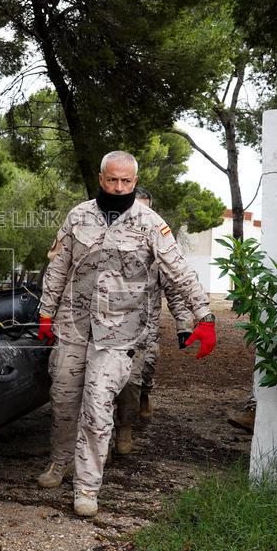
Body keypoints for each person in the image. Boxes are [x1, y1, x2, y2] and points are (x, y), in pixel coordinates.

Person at [36, 150, 217, 517]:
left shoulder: (150, 223)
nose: (119, 187)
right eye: (113, 180)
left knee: (97, 406)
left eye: (126, 181)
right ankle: (60, 461)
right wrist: (45, 311)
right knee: (63, 398)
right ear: (101, 179)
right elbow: (58, 266)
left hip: (119, 332)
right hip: (74, 325)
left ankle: (87, 487)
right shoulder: (78, 216)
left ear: (134, 182)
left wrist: (204, 317)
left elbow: (179, 271)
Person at [112, 188, 195, 454]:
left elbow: (174, 287)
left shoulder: (158, 243)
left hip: (143, 328)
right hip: (108, 325)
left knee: (136, 378)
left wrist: (185, 324)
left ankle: (125, 426)